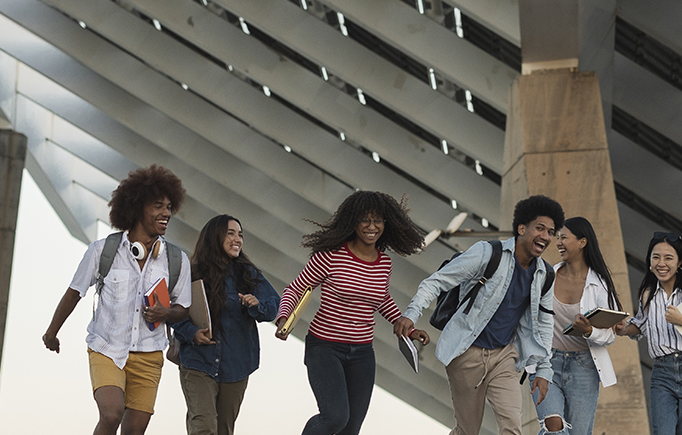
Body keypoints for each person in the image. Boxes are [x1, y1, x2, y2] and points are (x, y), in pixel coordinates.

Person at [42, 165, 195, 435]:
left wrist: (165, 313)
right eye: (158, 206)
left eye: (169, 206)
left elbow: (183, 308)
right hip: (107, 350)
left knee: (134, 432)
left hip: (149, 355)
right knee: (111, 415)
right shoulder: (103, 251)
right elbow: (74, 293)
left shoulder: (176, 260)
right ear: (137, 208)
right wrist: (51, 333)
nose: (166, 213)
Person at [400, 196, 562, 435]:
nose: (546, 237)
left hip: (504, 357)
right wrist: (411, 314)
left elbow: (545, 323)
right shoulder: (488, 253)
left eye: (551, 232)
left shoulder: (545, 275)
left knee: (512, 428)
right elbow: (437, 281)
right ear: (521, 228)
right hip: (467, 354)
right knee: (468, 430)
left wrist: (544, 369)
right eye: (540, 228)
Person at [275, 191, 430, 435]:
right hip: (325, 348)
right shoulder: (331, 255)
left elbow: (381, 299)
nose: (372, 226)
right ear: (352, 222)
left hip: (362, 354)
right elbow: (296, 288)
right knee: (335, 418)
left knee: (351, 429)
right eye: (365, 220)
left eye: (378, 220)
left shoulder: (384, 263)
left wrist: (407, 327)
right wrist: (285, 317)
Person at [169, 215, 280, 435]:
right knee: (203, 427)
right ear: (214, 237)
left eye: (240, 234)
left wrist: (256, 304)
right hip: (198, 362)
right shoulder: (191, 273)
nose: (237, 239)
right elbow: (174, 312)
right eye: (230, 233)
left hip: (236, 365)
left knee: (223, 430)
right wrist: (192, 333)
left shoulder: (247, 273)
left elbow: (273, 305)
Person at [616, 231, 682, 435]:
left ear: (680, 262)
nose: (661, 263)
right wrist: (623, 329)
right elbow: (641, 325)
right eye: (655, 257)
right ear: (649, 261)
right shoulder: (648, 292)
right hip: (662, 372)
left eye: (668, 258)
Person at [534, 217, 625, 435]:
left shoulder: (599, 284)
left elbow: (610, 336)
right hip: (547, 363)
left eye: (564, 237)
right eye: (558, 238)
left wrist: (589, 331)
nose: (558, 243)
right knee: (553, 427)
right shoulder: (546, 276)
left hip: (584, 368)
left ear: (582, 242)